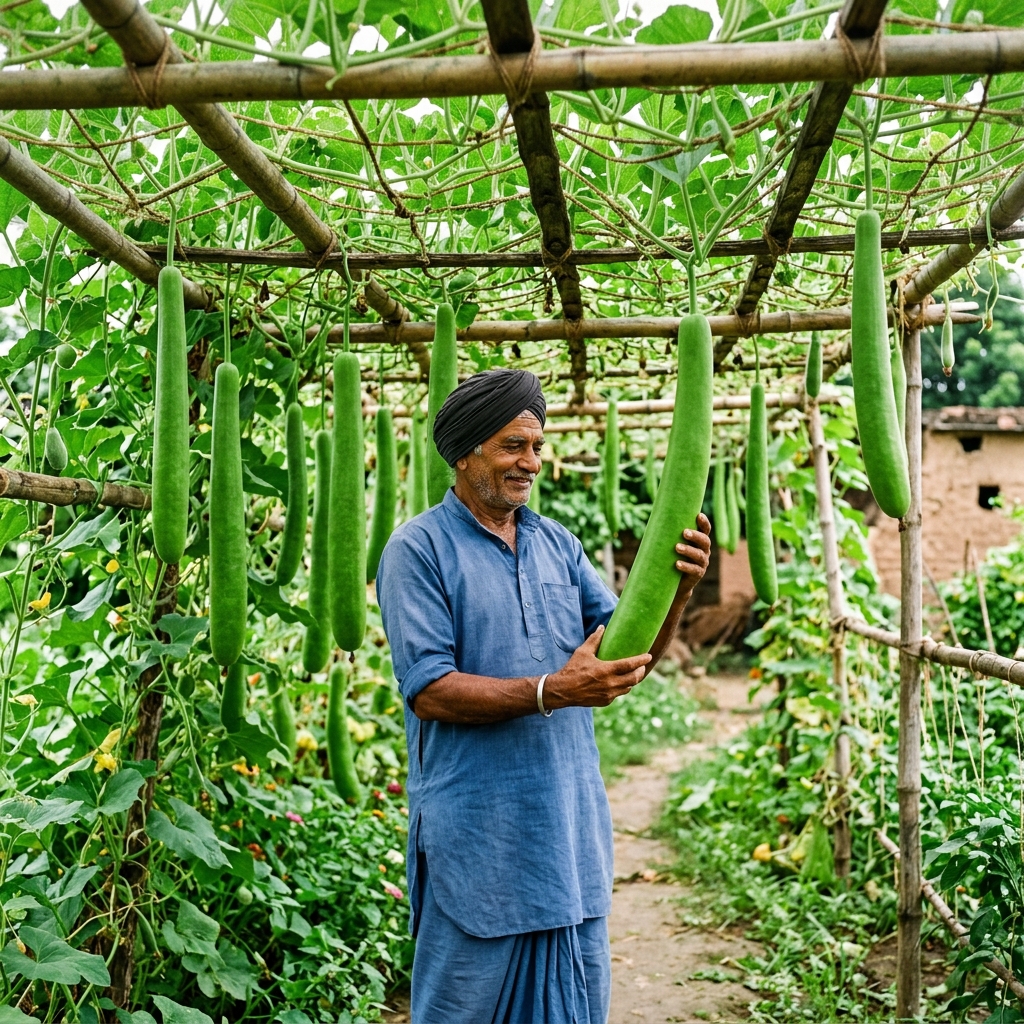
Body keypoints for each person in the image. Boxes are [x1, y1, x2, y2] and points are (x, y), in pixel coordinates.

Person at [376, 368, 711, 1024]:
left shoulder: (560, 545)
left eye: (536, 445)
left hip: (567, 835)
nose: (530, 461)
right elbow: (430, 691)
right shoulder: (416, 550)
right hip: (479, 840)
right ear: (464, 452)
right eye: (511, 446)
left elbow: (623, 659)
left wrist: (680, 590)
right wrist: (549, 690)